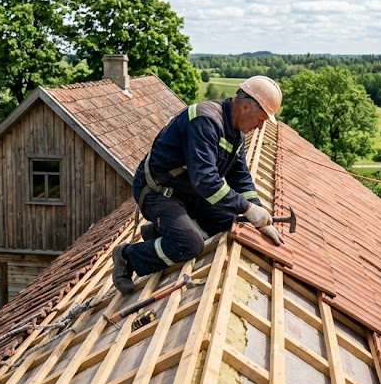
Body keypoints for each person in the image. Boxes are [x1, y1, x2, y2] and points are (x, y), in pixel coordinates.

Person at [112, 75, 285, 295]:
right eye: (261, 119)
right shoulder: (205, 120)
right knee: (190, 244)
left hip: (187, 192)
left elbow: (240, 177)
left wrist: (259, 215)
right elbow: (205, 181)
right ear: (245, 106)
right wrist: (248, 209)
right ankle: (128, 256)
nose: (260, 127)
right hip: (159, 191)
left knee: (231, 220)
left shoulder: (235, 133)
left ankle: (158, 231)